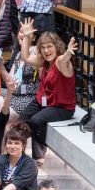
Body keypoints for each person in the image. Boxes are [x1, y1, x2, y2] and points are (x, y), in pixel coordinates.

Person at [17, 22, 78, 163]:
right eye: (43, 47)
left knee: (36, 120)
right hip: (43, 99)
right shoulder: (44, 61)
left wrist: (68, 52)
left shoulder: (60, 62)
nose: (46, 50)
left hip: (62, 107)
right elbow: (25, 57)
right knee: (22, 120)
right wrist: (26, 37)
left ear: (57, 47)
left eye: (49, 46)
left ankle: (39, 155)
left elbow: (64, 60)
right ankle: (17, 148)